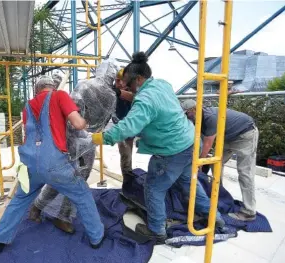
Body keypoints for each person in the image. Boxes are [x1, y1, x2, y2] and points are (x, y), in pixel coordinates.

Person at [91, 52, 225, 244]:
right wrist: (119, 92)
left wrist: (98, 138)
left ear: (138, 79)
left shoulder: (144, 99)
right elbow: (141, 98)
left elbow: (129, 127)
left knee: (154, 189)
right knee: (189, 184)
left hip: (171, 151)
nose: (128, 88)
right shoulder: (162, 84)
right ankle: (215, 217)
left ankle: (156, 231)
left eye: (129, 84)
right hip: (189, 142)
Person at [0, 76, 105, 257]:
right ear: (53, 87)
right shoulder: (60, 95)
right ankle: (97, 238)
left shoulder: (28, 106)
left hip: (29, 165)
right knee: (82, 195)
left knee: (19, 201)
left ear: (37, 90)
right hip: (54, 164)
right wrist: (87, 123)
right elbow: (77, 123)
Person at [28, 60, 118, 235]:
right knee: (69, 178)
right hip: (77, 139)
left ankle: (52, 212)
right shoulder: (89, 87)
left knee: (73, 178)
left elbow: (75, 112)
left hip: (83, 141)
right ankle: (52, 212)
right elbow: (71, 113)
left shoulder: (90, 87)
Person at [181, 99, 259, 221]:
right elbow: (199, 141)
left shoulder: (209, 117)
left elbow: (207, 144)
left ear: (194, 110)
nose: (186, 116)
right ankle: (219, 194)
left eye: (187, 113)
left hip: (245, 134)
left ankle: (249, 212)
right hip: (228, 137)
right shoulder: (197, 119)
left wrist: (199, 163)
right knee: (216, 164)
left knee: (245, 173)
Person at [111, 68, 135, 187]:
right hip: (122, 129)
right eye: (117, 80)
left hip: (136, 126)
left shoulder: (131, 90)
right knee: (126, 155)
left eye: (122, 81)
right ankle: (127, 182)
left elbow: (132, 97)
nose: (120, 83)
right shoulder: (111, 92)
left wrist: (119, 92)